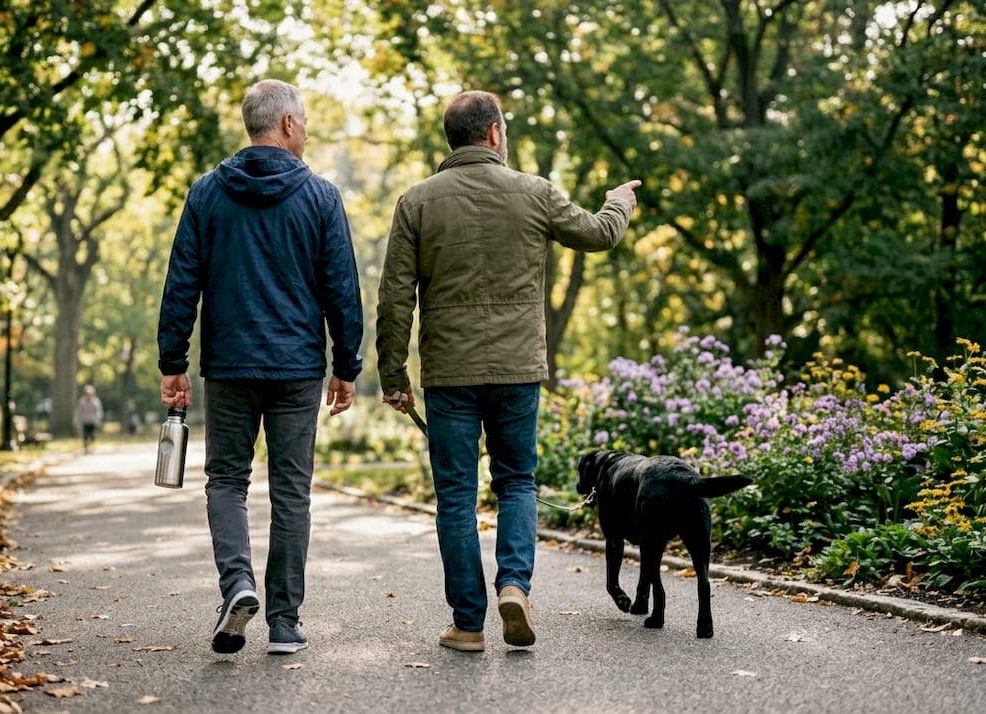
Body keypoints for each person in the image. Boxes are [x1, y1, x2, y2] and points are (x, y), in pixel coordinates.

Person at [376, 90, 640, 652]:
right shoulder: (535, 192)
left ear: (453, 137)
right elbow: (600, 233)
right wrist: (619, 201)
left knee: (455, 496)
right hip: (518, 370)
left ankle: (468, 624)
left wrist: (393, 375)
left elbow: (395, 298)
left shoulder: (416, 202)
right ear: (494, 133)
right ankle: (515, 585)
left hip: (448, 373)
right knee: (517, 481)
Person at [157, 79, 363, 656]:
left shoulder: (206, 193)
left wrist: (173, 359)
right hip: (297, 368)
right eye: (307, 121)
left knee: (226, 480)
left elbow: (182, 282)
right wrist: (346, 365)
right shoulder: (321, 196)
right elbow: (341, 289)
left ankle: (237, 586)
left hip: (228, 365)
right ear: (289, 125)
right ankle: (284, 622)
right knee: (292, 491)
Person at [73, 385, 104, 453]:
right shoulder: (82, 402)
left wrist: (99, 420)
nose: (88, 395)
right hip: (85, 421)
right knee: (85, 435)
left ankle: (91, 444)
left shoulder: (96, 401)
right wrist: (77, 421)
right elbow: (78, 412)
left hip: (93, 421)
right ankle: (86, 448)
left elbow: (99, 412)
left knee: (92, 435)